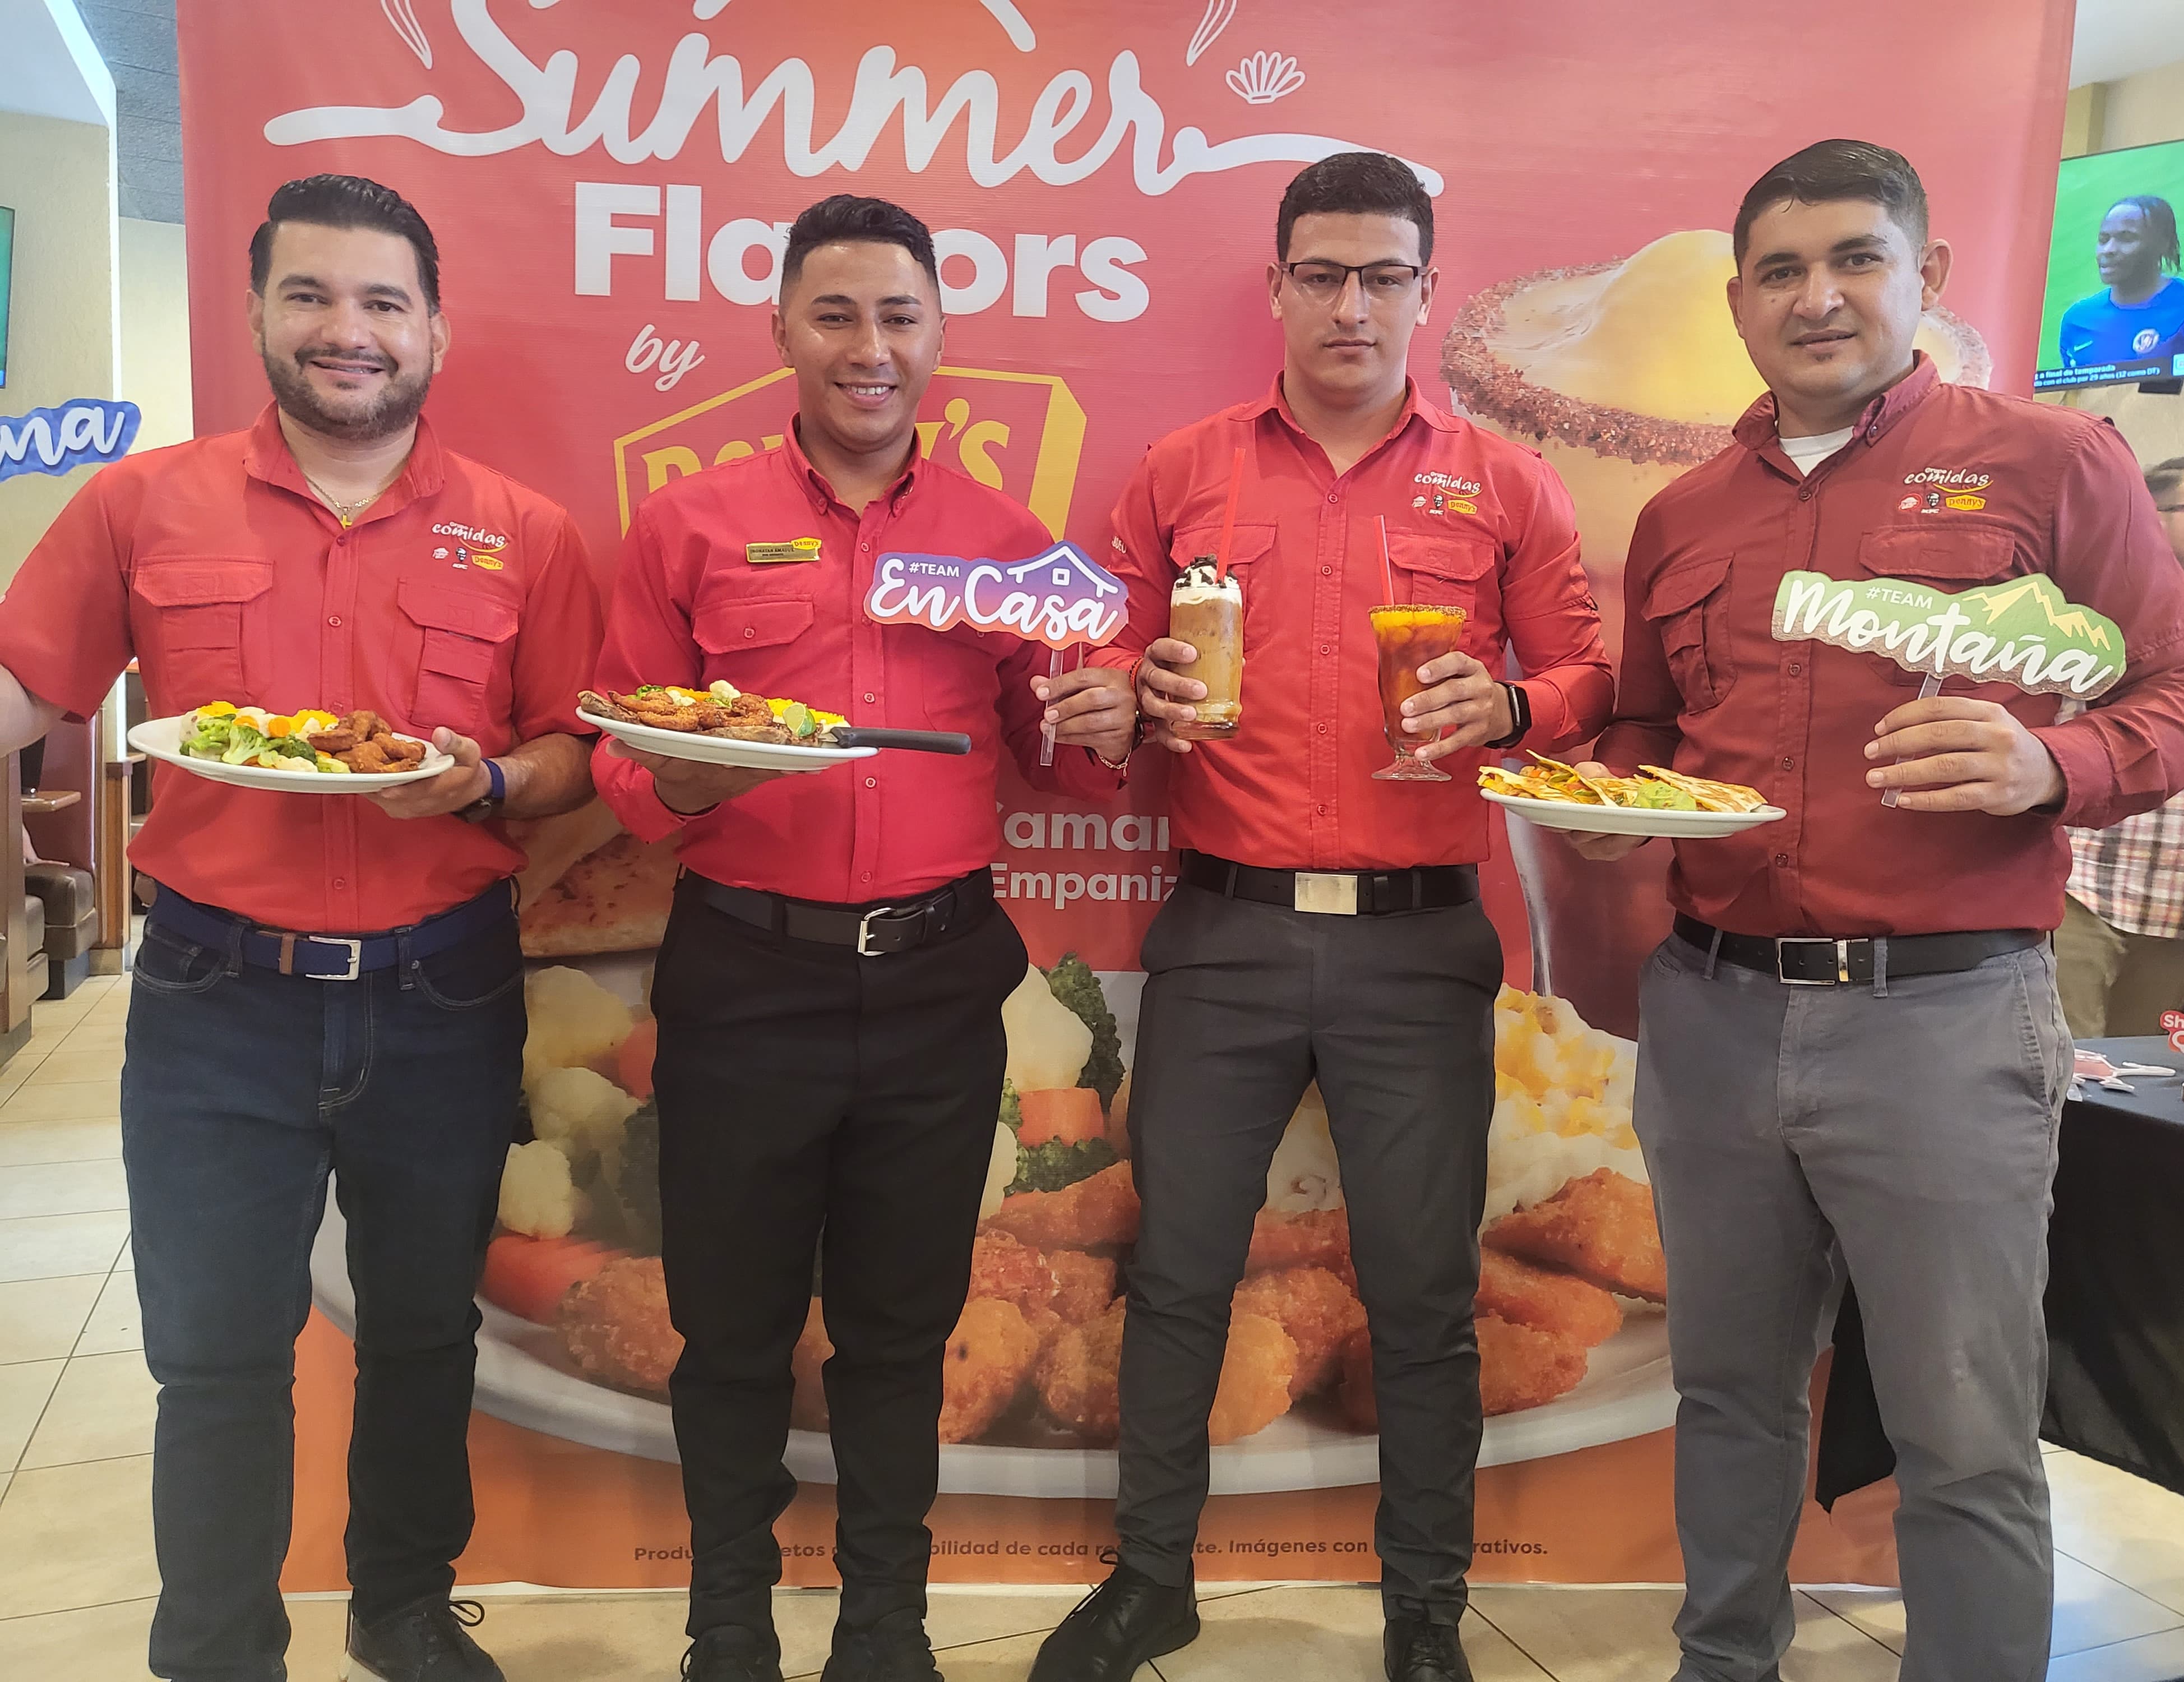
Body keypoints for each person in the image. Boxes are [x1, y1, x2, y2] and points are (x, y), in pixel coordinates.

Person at [1571, 140, 2184, 1682]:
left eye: (1854, 259)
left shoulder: (2051, 462)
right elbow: (1650, 728)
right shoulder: (1681, 513)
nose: (1817, 298)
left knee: (1963, 1428)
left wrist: (2052, 760)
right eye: (1781, 271)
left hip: (1946, 1018)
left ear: (1922, 276)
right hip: (1712, 1011)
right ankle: (1723, 1660)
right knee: (1726, 1393)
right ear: (1738, 301)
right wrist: (1612, 800)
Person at [0, 174, 604, 1682]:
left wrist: (486, 781)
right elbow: (29, 688)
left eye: (383, 301)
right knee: (213, 1352)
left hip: (443, 994)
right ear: (259, 313)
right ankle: (216, 1648)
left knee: (424, 1332)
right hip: (215, 997)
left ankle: (403, 1609)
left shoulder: (525, 533)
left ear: (434, 329)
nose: (349, 330)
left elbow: (574, 753)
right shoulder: (144, 501)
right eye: (311, 295)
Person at [1030, 152, 1614, 1682]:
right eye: (1323, 274)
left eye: (1382, 276)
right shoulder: (1183, 471)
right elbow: (1101, 678)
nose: (1352, 305)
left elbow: (1586, 679)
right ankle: (1150, 1582)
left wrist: (1513, 703)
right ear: (1279, 286)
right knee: (1178, 1273)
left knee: (1420, 1291)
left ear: (1425, 291)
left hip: (1420, 942)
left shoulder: (1504, 482)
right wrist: (1120, 696)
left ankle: (1424, 1608)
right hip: (1223, 931)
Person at [589, 193, 1137, 1682]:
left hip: (934, 984)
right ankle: (726, 1628)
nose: (869, 347)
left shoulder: (1004, 542)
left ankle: (885, 1628)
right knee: (731, 1331)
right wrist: (684, 773)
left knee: (903, 1333)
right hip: (743, 977)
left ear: (939, 334)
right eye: (834, 314)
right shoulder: (690, 523)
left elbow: (1057, 757)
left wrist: (1102, 719)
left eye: (899, 316)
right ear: (780, 327)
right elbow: (624, 756)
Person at [2057, 453, 2184, 1036]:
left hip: (2183, 906)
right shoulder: (2085, 619)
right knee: (2062, 1074)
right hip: (2080, 889)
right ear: (2152, 516)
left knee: (2140, 1081)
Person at [2058, 195, 2184, 369]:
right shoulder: (2077, 321)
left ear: (2162, 245)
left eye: (2127, 239)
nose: (2108, 250)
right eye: (2103, 240)